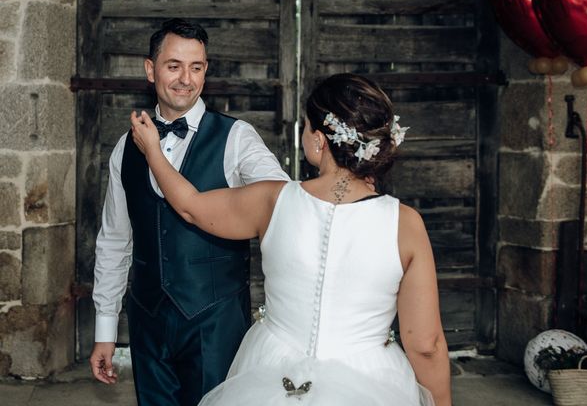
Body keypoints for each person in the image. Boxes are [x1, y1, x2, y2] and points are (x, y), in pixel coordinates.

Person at [130, 73, 452, 406]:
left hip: (273, 371)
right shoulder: (405, 224)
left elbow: (191, 207)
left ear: (318, 140)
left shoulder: (272, 201)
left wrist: (153, 152)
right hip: (372, 379)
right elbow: (426, 345)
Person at [89, 18, 289, 406]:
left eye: (196, 67)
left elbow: (280, 202)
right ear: (151, 70)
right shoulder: (124, 148)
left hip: (216, 322)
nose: (185, 79)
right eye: (173, 66)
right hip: (148, 321)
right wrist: (105, 330)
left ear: (206, 71)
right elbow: (114, 239)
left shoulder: (236, 137)